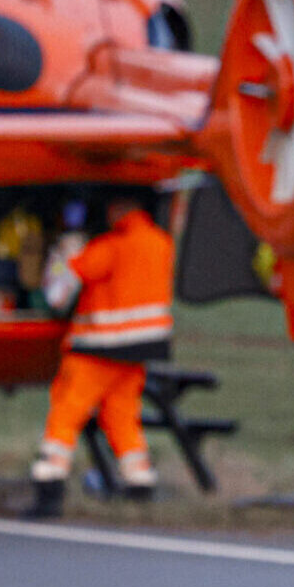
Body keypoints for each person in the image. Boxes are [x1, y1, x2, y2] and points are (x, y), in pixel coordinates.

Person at [27, 192, 175, 519]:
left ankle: (49, 486)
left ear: (118, 209)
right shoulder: (162, 243)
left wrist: (66, 250)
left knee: (66, 415)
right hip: (140, 349)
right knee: (122, 417)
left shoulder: (110, 247)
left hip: (98, 347)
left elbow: (58, 290)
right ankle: (140, 484)